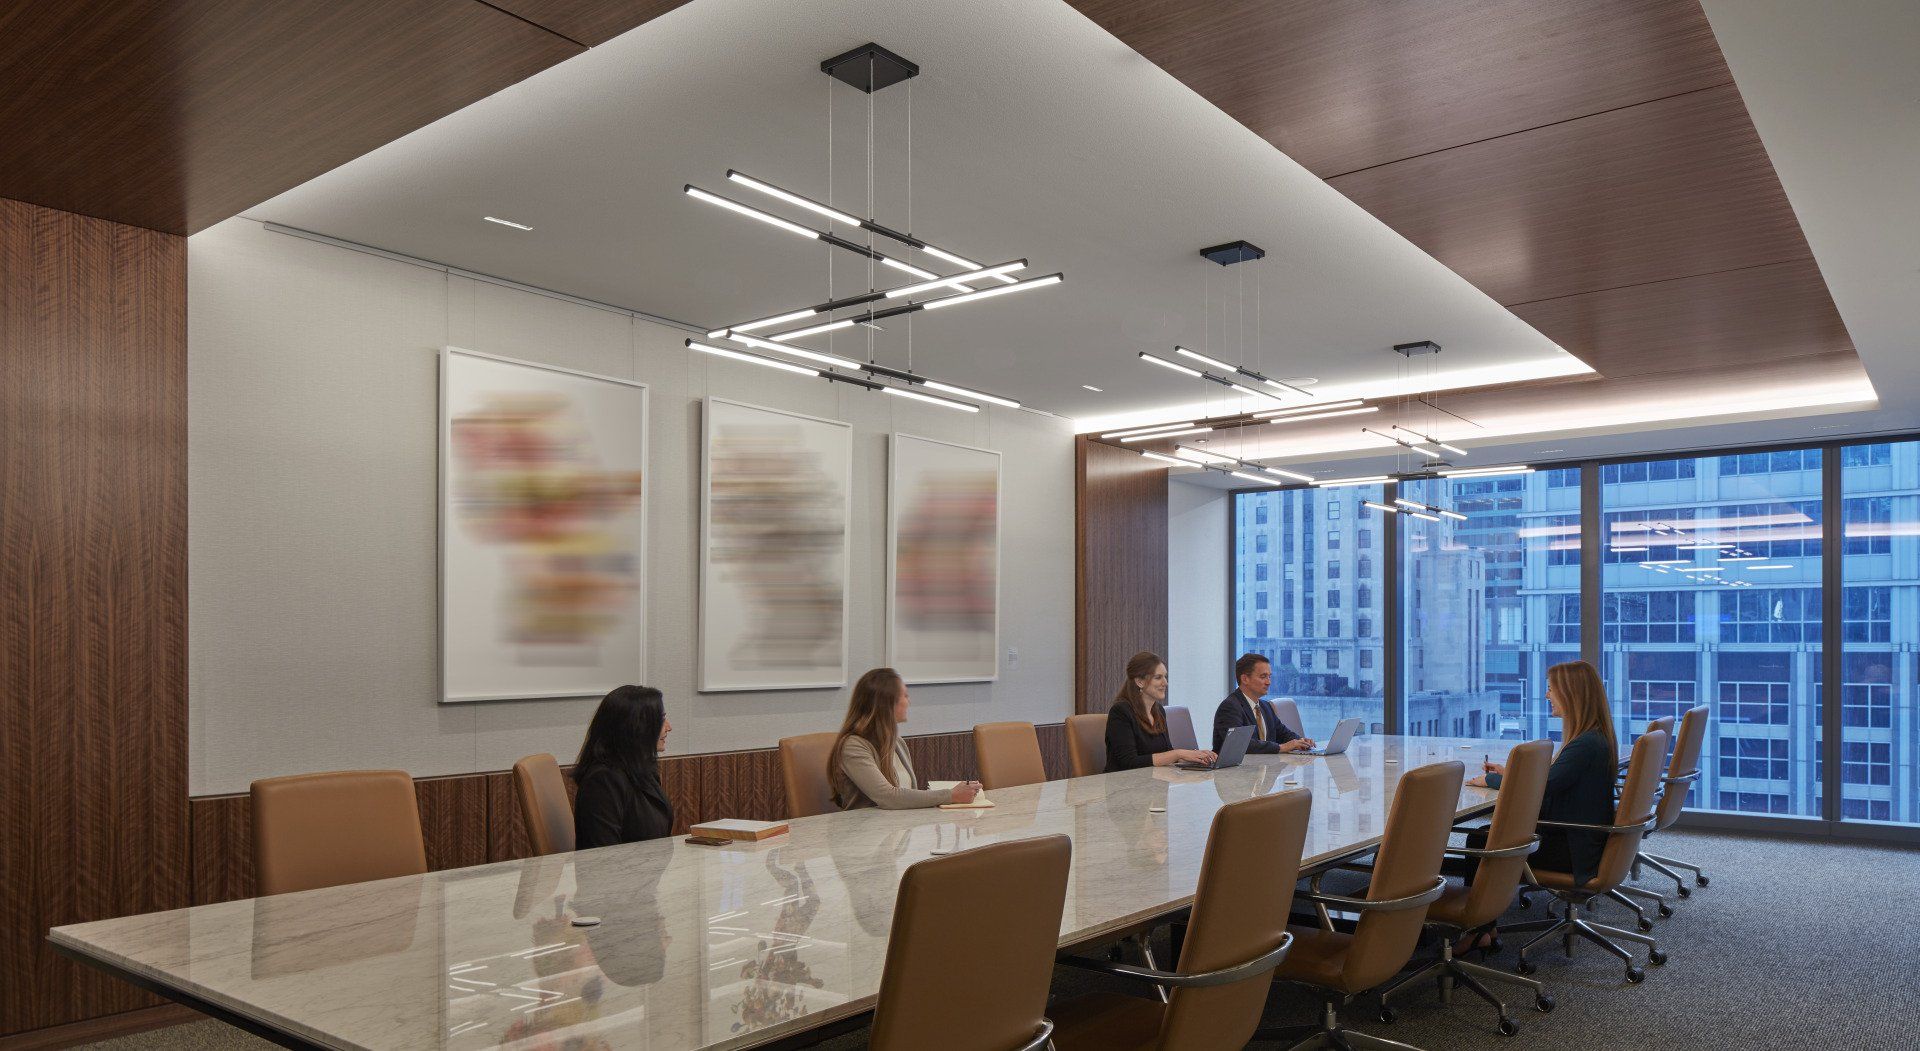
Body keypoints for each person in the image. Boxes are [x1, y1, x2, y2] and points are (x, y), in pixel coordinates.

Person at [1468, 659, 1618, 885]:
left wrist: (1490, 779)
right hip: (1583, 842)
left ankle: (1477, 916)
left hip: (1572, 851)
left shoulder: (1585, 745)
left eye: (1550, 689)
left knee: (1479, 839)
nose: (1547, 696)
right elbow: (1554, 780)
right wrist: (1509, 772)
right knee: (1485, 835)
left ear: (1571, 694)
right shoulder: (1594, 737)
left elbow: (1539, 789)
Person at [828, 668, 980, 809]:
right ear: (886, 703)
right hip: (866, 833)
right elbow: (888, 797)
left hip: (898, 828)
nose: (909, 702)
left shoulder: (896, 741)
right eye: (905, 696)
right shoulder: (853, 746)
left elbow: (907, 792)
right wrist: (951, 795)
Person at [573, 685, 676, 849]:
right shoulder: (603, 781)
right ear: (637, 727)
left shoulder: (643, 769)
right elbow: (604, 856)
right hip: (620, 873)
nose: (668, 727)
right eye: (661, 720)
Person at [1104, 652, 1216, 771]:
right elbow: (1129, 762)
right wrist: (1178, 754)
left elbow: (1166, 753)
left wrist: (1195, 756)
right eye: (1158, 677)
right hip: (1123, 786)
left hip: (1152, 783)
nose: (1165, 683)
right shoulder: (1120, 711)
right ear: (1139, 682)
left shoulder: (1158, 711)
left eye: (1165, 677)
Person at [1212, 652, 1317, 754]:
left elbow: (1283, 734)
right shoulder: (1230, 707)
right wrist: (1280, 747)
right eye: (1263, 677)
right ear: (1245, 679)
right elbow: (1239, 744)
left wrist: (1302, 741)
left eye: (1269, 676)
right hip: (1236, 771)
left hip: (1266, 768)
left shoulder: (1265, 707)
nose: (1268, 682)